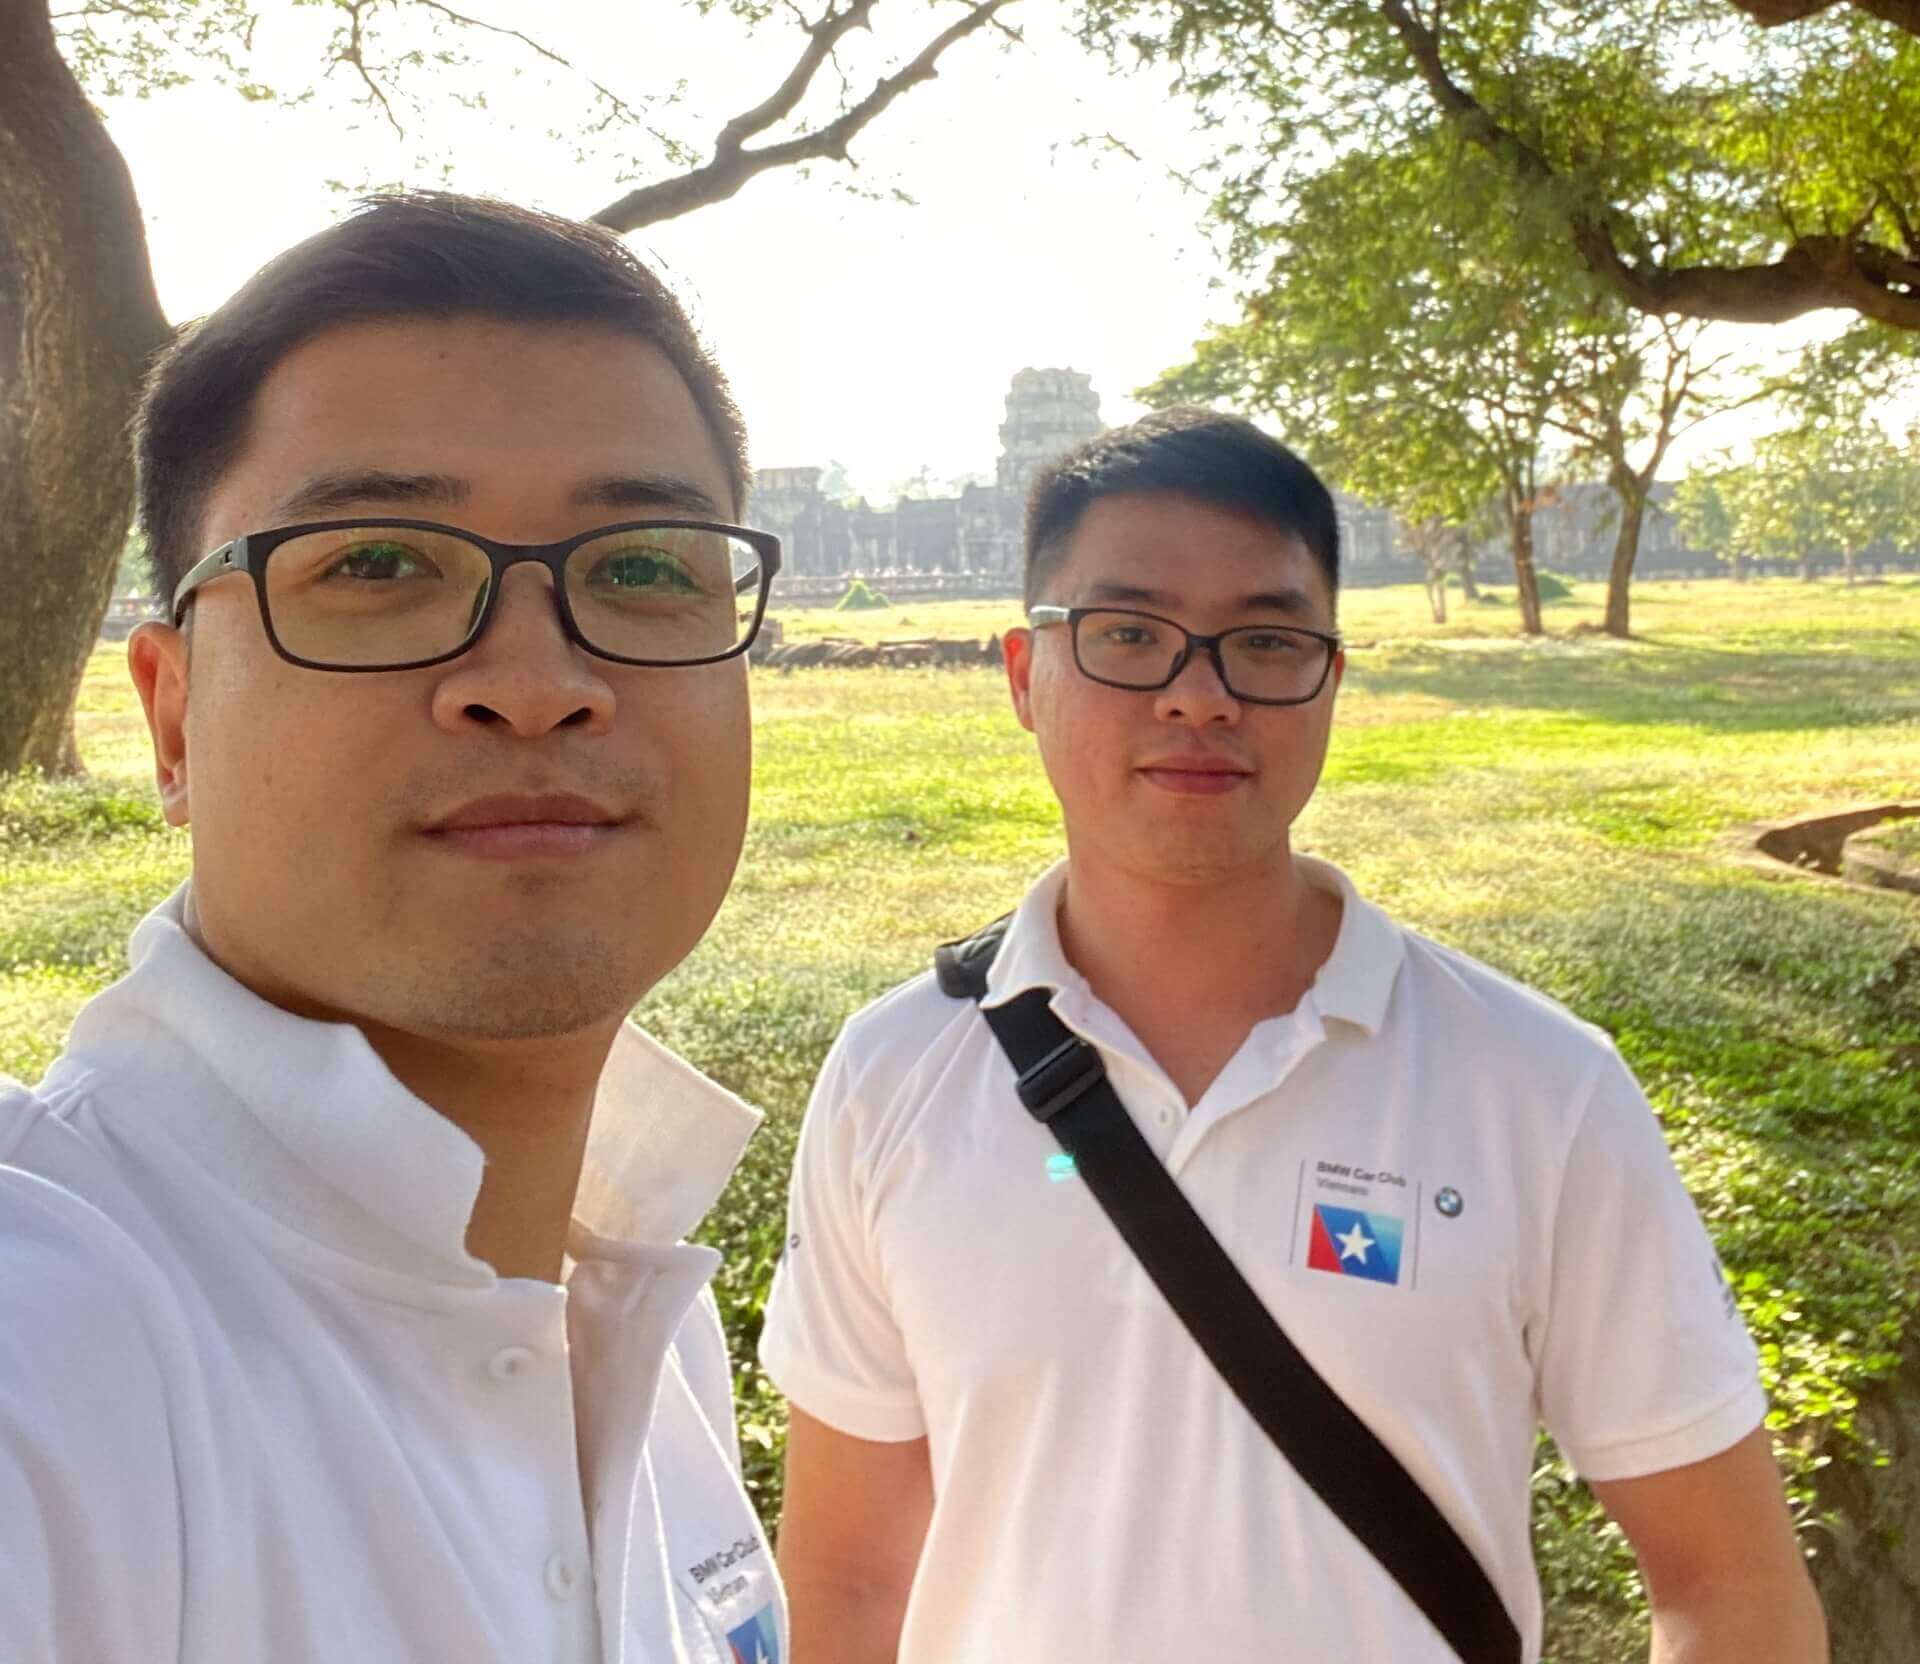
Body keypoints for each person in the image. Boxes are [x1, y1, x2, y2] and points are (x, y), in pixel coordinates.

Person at [761, 409, 1828, 1664]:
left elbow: (1729, 1582)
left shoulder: (1539, 1087)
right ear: (1022, 674)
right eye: (1128, 635)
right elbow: (848, 1579)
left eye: (1264, 641)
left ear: (1329, 677)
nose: (1198, 695)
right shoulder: (893, 1075)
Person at [0, 192, 788, 1664]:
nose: (536, 683)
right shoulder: (47, 1345)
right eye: (374, 564)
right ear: (173, 716)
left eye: (642, 567)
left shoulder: (637, 1313)